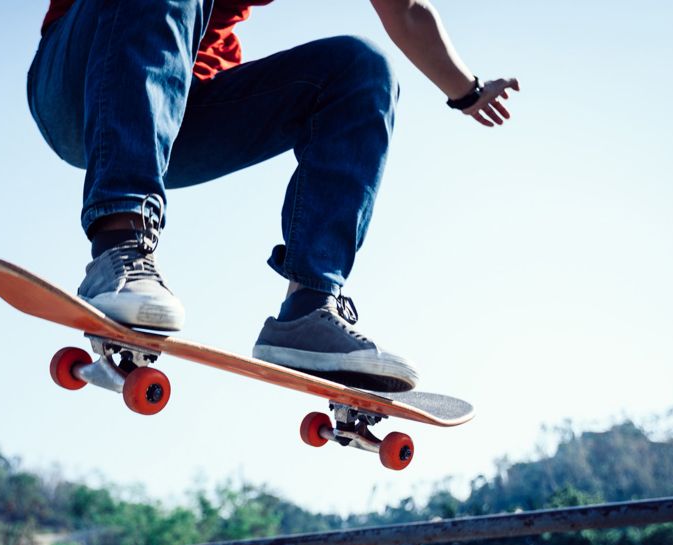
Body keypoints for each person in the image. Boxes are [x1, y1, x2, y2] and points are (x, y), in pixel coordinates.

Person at [27, 0, 519, 392]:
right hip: (81, 78)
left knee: (361, 69)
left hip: (184, 114)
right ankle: (120, 251)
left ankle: (309, 309)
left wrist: (468, 91)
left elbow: (406, 9)